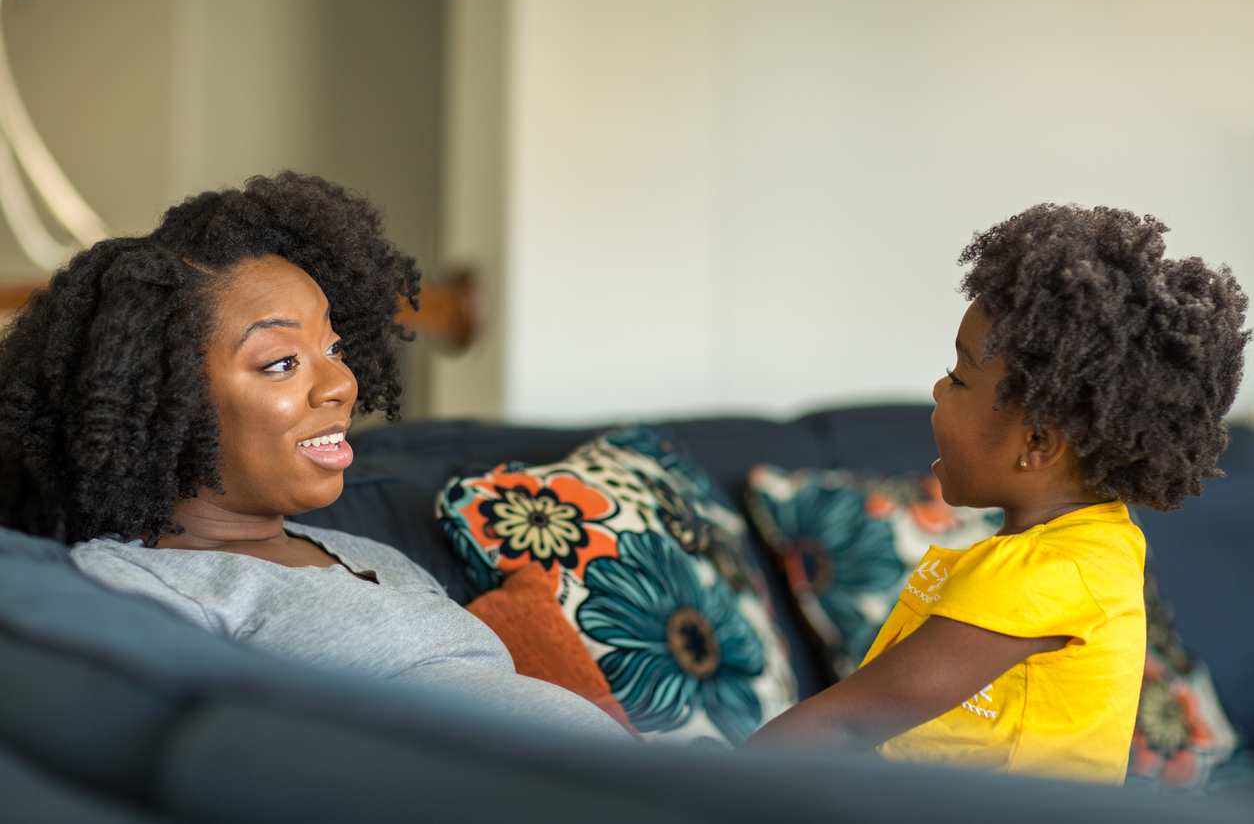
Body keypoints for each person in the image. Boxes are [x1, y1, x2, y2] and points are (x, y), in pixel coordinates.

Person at [0, 171, 631, 742]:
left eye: (333, 347)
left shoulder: (372, 557)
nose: (341, 385)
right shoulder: (134, 585)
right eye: (281, 362)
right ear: (159, 399)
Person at [743, 204, 1249, 783]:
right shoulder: (1092, 544)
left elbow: (849, 725)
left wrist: (699, 794)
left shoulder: (1042, 576)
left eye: (959, 378)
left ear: (1037, 440)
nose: (938, 387)